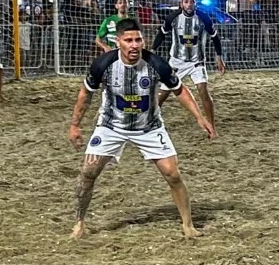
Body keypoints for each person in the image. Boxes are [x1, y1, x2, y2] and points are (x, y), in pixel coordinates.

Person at [68, 18, 216, 240]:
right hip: (111, 126)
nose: (135, 45)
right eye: (129, 40)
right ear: (118, 42)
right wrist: (75, 125)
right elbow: (85, 94)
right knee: (88, 173)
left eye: (139, 39)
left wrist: (199, 118)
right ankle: (79, 223)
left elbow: (180, 90)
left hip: (149, 127)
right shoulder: (103, 65)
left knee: (173, 174)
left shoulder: (157, 64)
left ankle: (188, 225)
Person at [156, 0, 225, 129]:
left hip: (197, 62)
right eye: (186, 2)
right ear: (181, 4)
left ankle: (211, 125)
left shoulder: (203, 18)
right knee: (163, 94)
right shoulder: (172, 18)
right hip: (176, 61)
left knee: (203, 91)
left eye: (191, 1)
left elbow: (215, 37)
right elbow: (161, 34)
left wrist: (219, 58)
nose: (189, 4)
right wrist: (152, 51)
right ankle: (148, 120)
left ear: (195, 3)